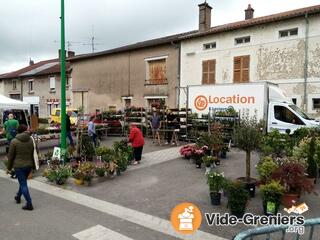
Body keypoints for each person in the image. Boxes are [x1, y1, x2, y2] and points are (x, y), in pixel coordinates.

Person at [7, 124, 34, 211]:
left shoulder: (14, 141)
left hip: (19, 166)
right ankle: (18, 196)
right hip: (29, 165)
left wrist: (9, 167)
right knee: (23, 182)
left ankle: (29, 203)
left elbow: (11, 156)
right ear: (25, 130)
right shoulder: (30, 140)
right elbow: (33, 152)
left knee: (23, 184)